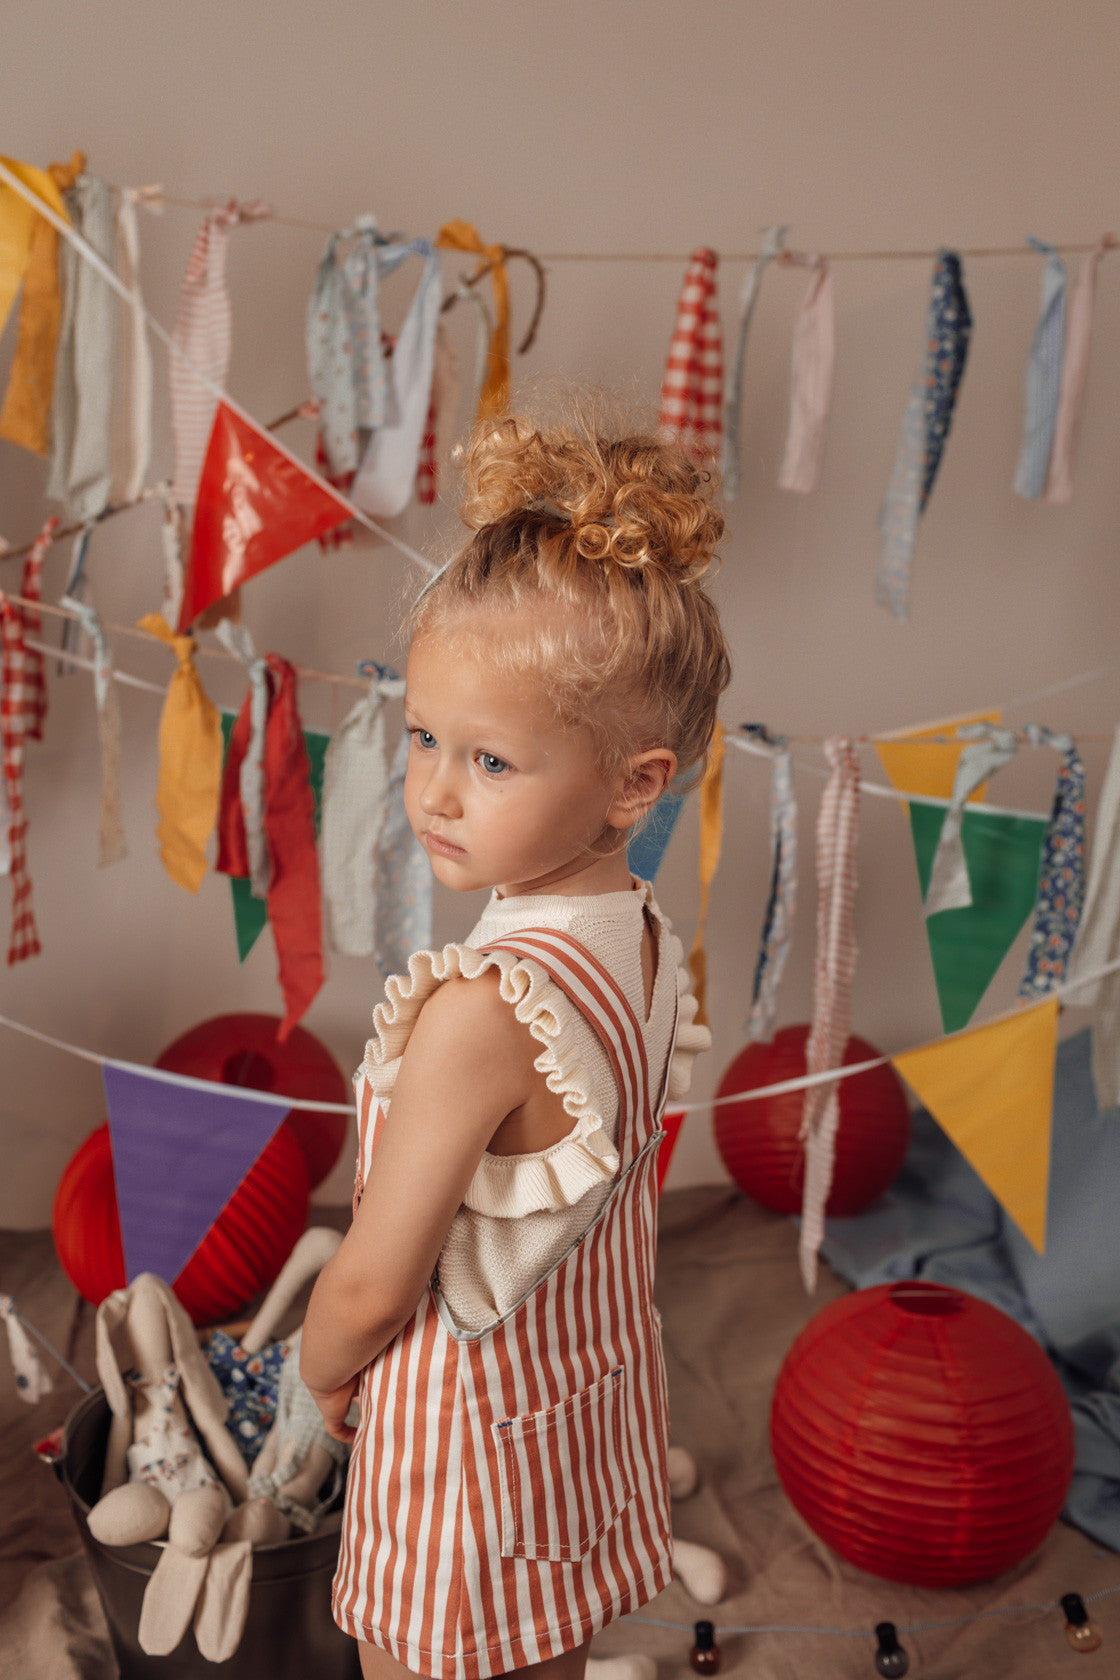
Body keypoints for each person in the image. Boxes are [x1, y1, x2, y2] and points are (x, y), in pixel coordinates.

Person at [301, 409, 731, 1680]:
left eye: (490, 759)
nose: (433, 788)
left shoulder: (480, 1012)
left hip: (459, 1465)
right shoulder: (641, 938)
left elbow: (377, 1284)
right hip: (572, 1418)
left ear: (632, 783)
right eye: (424, 734)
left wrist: (324, 1370)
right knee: (541, 1652)